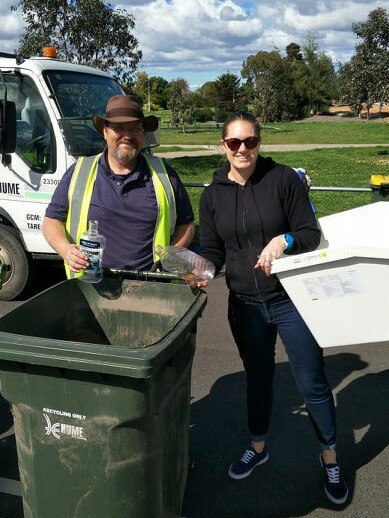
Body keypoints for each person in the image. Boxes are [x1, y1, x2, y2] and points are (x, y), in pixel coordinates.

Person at [198, 111, 348, 505]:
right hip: (245, 305)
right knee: (258, 379)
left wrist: (285, 239)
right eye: (234, 143)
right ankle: (258, 448)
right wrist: (199, 269)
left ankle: (330, 458)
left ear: (259, 142)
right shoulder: (212, 195)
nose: (243, 149)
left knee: (312, 382)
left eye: (250, 141)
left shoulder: (283, 180)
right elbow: (212, 251)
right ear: (223, 146)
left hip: (291, 300)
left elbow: (310, 233)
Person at [43, 95, 194, 276]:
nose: (128, 136)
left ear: (143, 133)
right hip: (91, 285)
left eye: (135, 128)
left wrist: (170, 258)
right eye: (119, 128)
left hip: (152, 287)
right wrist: (65, 249)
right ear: (105, 131)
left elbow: (186, 224)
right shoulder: (80, 172)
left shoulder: (164, 174)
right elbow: (51, 221)